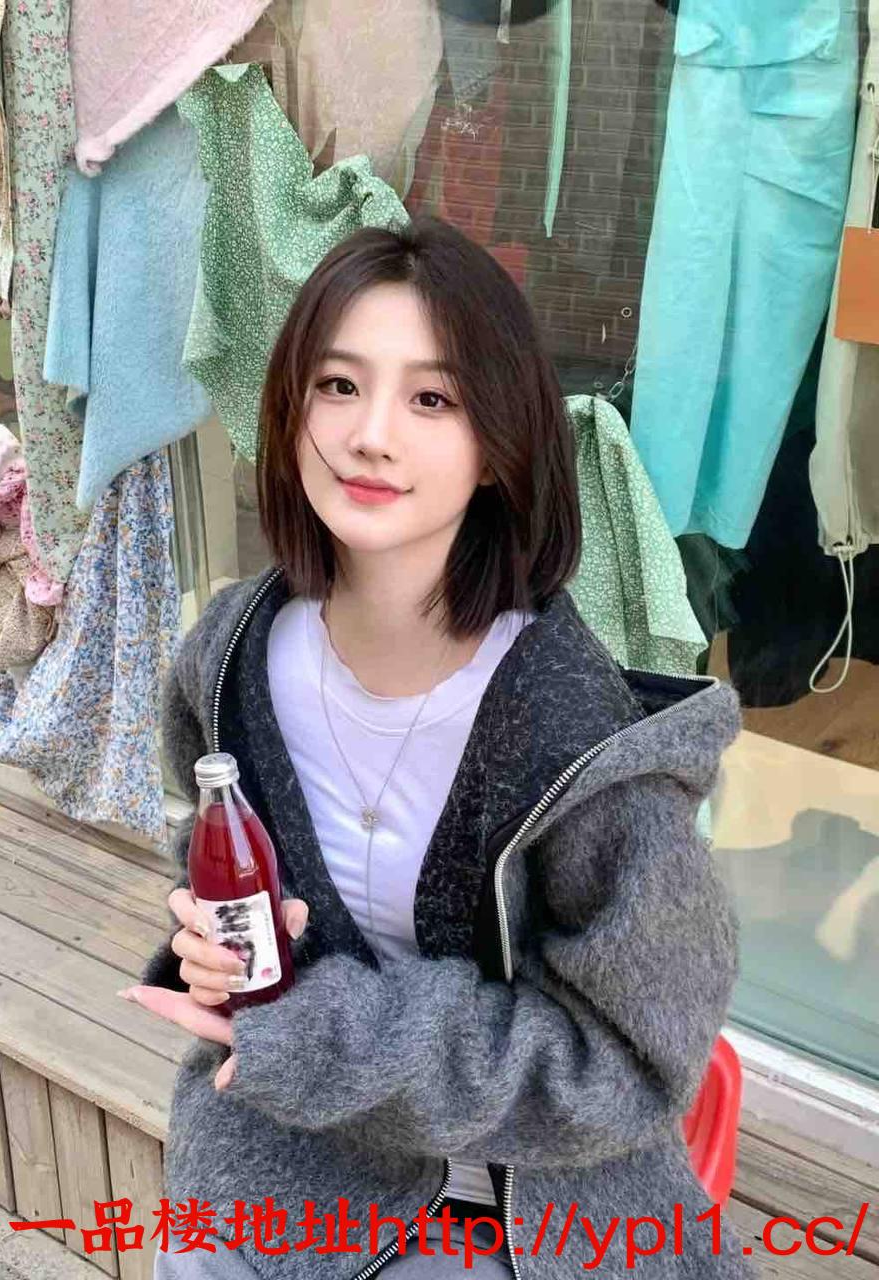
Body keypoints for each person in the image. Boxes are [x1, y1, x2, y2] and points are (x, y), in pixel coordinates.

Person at [120, 216, 758, 1279]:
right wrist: (211, 952)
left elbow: (630, 1061)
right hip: (287, 1162)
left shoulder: (579, 735)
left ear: (499, 444)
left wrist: (328, 1032)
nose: (371, 434)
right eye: (338, 385)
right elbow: (213, 866)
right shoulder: (228, 661)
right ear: (287, 413)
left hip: (536, 1212)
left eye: (432, 399)